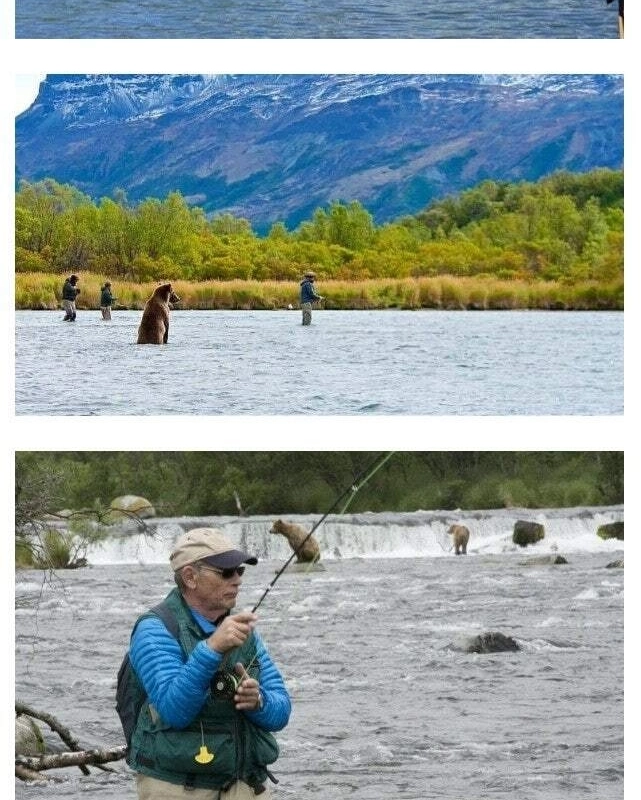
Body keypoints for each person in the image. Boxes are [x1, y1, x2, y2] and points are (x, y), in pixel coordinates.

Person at [128, 528, 291, 799]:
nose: (237, 580)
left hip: (244, 785)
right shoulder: (155, 630)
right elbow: (174, 710)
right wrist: (212, 648)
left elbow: (282, 711)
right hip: (178, 787)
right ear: (190, 577)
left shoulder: (243, 632)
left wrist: (257, 702)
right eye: (226, 572)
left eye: (240, 570)